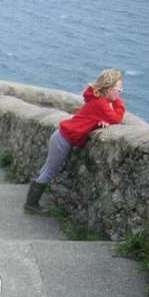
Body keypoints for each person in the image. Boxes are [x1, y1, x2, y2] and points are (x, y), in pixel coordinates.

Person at [24, 68, 126, 215]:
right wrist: (118, 103)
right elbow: (117, 119)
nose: (120, 92)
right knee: (50, 170)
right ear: (109, 89)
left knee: (47, 169)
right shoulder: (101, 104)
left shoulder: (97, 101)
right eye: (118, 88)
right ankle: (31, 204)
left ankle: (31, 202)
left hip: (61, 136)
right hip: (63, 139)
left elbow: (91, 118)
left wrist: (99, 123)